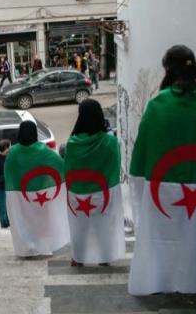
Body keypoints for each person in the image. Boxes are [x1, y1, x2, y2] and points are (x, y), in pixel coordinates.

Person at [128, 45, 196, 294]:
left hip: (161, 190)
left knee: (162, 239)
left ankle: (161, 282)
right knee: (194, 240)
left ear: (168, 70)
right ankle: (190, 283)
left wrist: (137, 180)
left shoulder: (157, 104)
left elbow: (142, 147)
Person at [64, 99, 125, 266]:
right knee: (103, 226)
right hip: (104, 193)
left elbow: (68, 168)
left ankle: (78, 258)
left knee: (79, 227)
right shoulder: (110, 142)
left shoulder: (72, 143)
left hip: (78, 193)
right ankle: (105, 258)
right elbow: (116, 165)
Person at [4, 121, 70, 257]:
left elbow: (9, 174)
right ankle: (44, 248)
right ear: (35, 133)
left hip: (21, 197)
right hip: (43, 197)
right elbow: (60, 166)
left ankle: (29, 248)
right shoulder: (43, 150)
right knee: (42, 225)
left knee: (26, 223)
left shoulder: (13, 152)